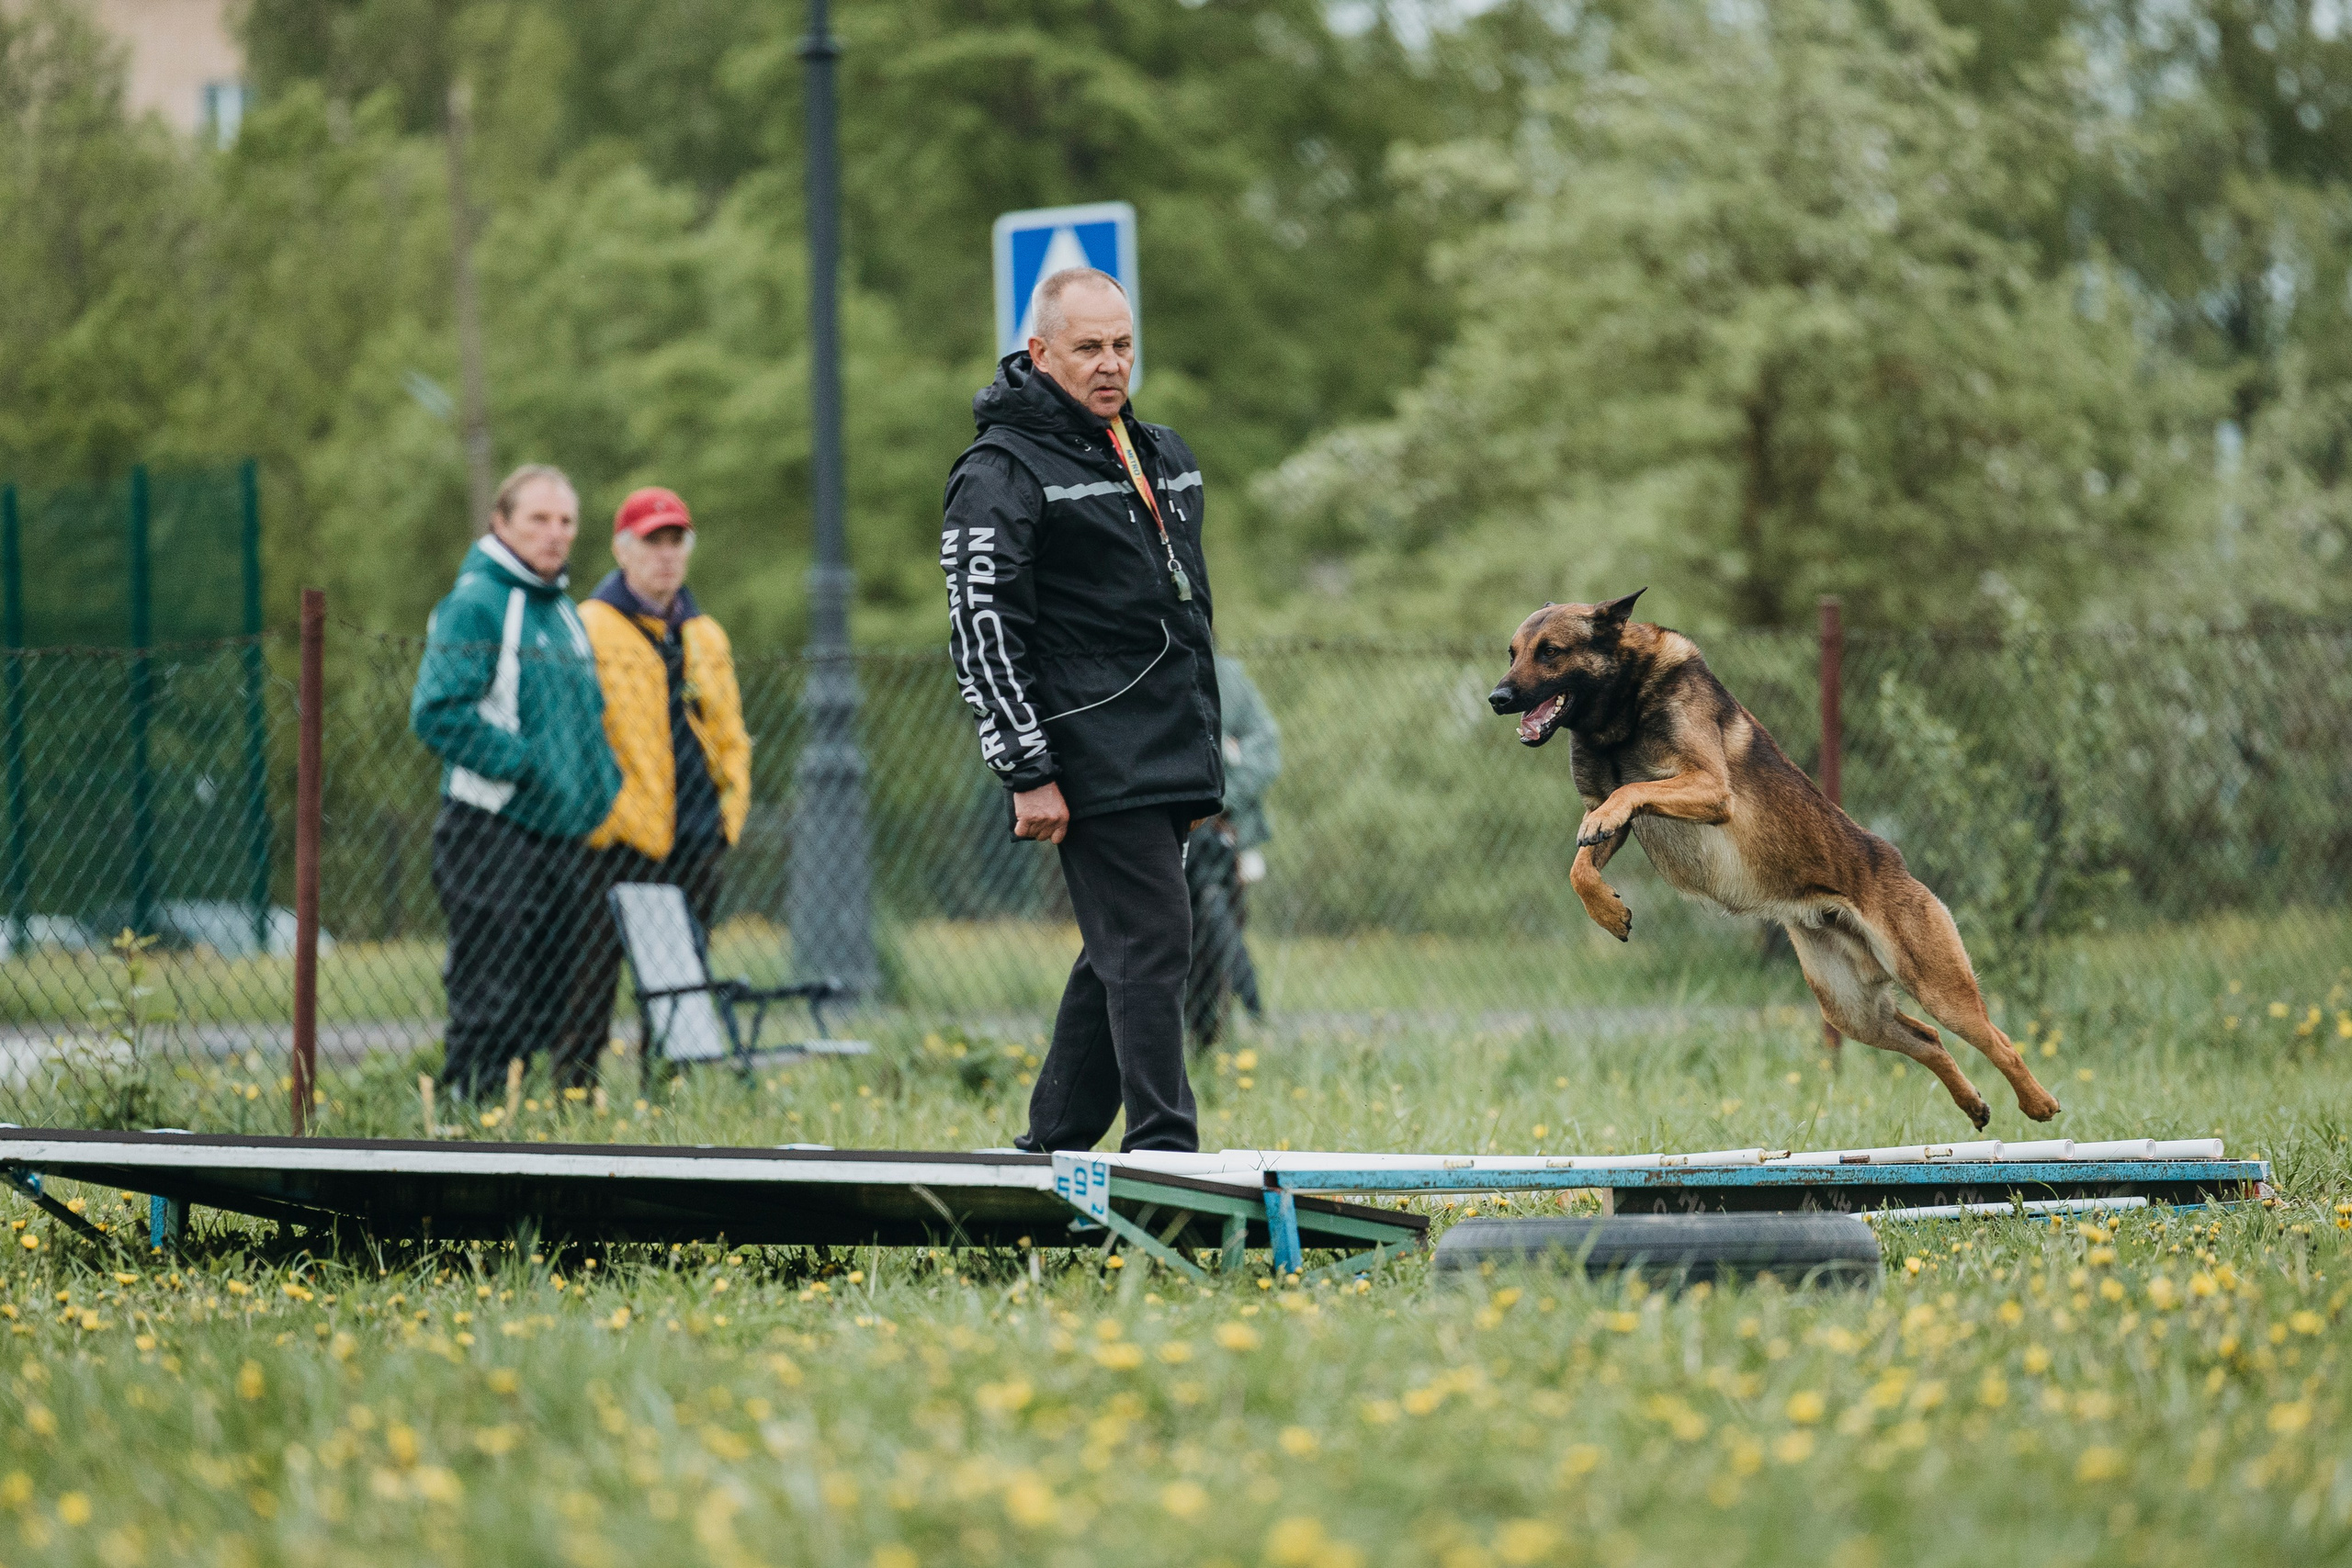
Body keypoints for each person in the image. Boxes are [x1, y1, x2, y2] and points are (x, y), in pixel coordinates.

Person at [941, 266, 1223, 1154]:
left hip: (1171, 745)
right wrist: (1027, 769)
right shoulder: (999, 470)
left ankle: (1050, 1141)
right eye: (1090, 348)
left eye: (1124, 345)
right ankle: (1165, 1152)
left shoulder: (1165, 453)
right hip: (1087, 752)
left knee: (1120, 946)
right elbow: (981, 628)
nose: (1112, 365)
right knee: (1153, 938)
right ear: (1040, 352)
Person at [412, 465, 619, 1104]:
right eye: (538, 519)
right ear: (501, 522)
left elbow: (588, 718)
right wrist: (524, 764)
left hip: (560, 838)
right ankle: (465, 1125)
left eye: (565, 522)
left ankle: (515, 1124)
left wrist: (597, 783)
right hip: (490, 832)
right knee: (489, 996)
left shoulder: (562, 609)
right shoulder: (478, 602)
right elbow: (437, 710)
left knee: (545, 999)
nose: (555, 534)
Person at [560, 486, 752, 1085]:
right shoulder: (587, 627)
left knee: (681, 983)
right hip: (613, 840)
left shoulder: (704, 635)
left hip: (694, 836)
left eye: (676, 541)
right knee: (587, 977)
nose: (665, 556)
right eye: (652, 543)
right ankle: (573, 1092)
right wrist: (599, 813)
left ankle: (667, 1095)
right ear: (623, 550)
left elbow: (731, 738)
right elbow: (573, 735)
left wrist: (729, 817)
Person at [1185, 652, 1280, 1045]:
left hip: (1222, 837)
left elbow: (1266, 751)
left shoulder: (1227, 677)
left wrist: (1218, 798)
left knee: (1219, 930)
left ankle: (1226, 1032)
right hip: (1160, 836)